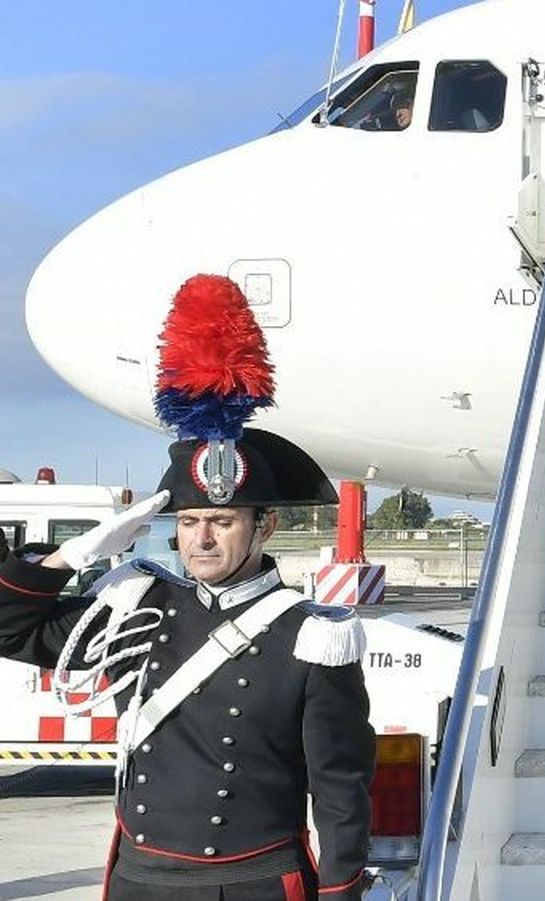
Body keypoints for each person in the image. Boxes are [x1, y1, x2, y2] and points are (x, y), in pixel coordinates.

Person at [0, 276, 374, 901]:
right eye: (191, 522)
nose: (201, 539)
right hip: (140, 880)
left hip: (250, 883)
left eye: (222, 522)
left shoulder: (311, 637)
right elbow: (11, 629)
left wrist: (340, 893)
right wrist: (69, 555)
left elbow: (339, 789)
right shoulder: (138, 608)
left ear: (265, 525)